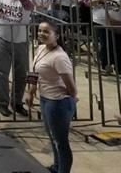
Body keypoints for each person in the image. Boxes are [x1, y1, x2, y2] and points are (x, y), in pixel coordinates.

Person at [23, 21, 77, 173]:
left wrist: (70, 101)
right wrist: (31, 91)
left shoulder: (59, 57)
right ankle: (56, 166)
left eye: (46, 32)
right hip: (46, 99)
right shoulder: (40, 48)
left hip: (58, 102)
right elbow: (34, 71)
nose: (41, 34)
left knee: (61, 142)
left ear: (57, 36)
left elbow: (71, 87)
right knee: (53, 138)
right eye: (40, 31)